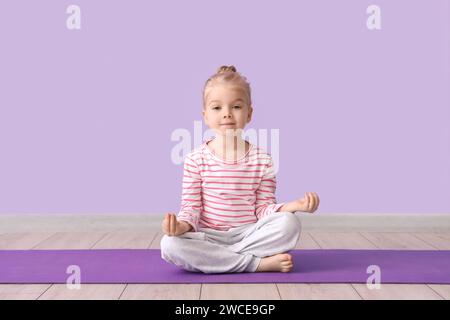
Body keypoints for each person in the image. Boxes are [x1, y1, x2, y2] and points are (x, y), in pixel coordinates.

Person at [160, 65, 320, 273]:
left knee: (290, 224)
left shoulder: (263, 159)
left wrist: (294, 205)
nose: (227, 114)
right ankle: (255, 263)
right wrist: (180, 227)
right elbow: (191, 208)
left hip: (249, 234)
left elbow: (264, 209)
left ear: (249, 113)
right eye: (217, 108)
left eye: (235, 107)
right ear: (205, 115)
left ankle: (217, 259)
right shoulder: (194, 159)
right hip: (209, 235)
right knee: (169, 244)